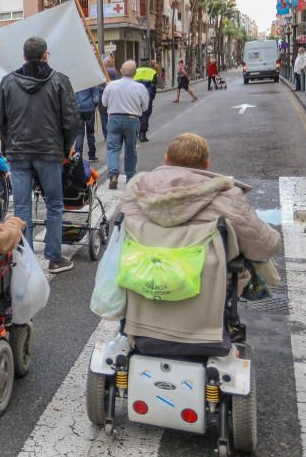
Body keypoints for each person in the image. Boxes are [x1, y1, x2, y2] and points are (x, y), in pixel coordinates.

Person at [116, 134, 282, 346]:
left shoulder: (134, 192)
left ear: (166, 159)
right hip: (207, 300)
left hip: (142, 288)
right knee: (250, 249)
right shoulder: (227, 196)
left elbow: (118, 238)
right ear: (206, 164)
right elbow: (267, 247)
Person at [0, 36, 80, 274]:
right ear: (45, 55)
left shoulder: (8, 81)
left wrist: (10, 142)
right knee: (54, 204)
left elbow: (0, 119)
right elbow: (71, 120)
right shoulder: (60, 81)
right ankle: (54, 257)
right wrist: (65, 149)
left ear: (24, 57)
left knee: (21, 208)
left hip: (18, 152)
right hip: (50, 151)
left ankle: (25, 258)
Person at [101, 60, 150, 191]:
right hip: (132, 119)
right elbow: (145, 107)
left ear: (121, 71)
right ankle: (130, 177)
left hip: (114, 118)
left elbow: (104, 103)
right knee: (130, 150)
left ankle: (113, 174)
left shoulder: (111, 85)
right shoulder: (140, 87)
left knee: (112, 148)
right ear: (135, 73)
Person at [74, 83, 102, 163]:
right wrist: (93, 105)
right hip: (89, 108)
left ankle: (78, 154)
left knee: (79, 133)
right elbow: (96, 98)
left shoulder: (76, 80)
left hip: (77, 109)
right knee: (90, 133)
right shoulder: (91, 81)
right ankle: (92, 156)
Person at [133, 59, 158, 142]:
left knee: (137, 114)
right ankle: (142, 134)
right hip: (147, 95)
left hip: (136, 95)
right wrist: (152, 96)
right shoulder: (152, 72)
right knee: (145, 114)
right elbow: (153, 85)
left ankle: (137, 132)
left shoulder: (135, 71)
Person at [99, 56, 119, 136]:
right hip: (112, 96)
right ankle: (113, 132)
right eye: (111, 62)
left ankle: (106, 134)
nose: (113, 63)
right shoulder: (113, 71)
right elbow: (118, 84)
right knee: (113, 114)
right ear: (109, 62)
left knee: (103, 116)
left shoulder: (99, 71)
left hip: (102, 95)